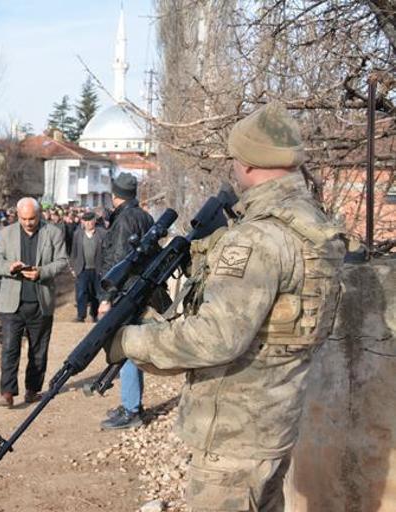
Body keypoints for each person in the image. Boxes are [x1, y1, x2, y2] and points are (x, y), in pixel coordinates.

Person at [105, 102, 347, 510]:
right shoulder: (312, 226)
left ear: (249, 163)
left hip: (234, 439)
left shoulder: (256, 239)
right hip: (274, 425)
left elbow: (215, 338)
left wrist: (128, 341)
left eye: (235, 159)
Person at [98, 172, 169, 430]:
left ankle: (131, 410)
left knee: (126, 348)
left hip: (127, 295)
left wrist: (107, 298)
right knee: (130, 348)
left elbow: (119, 262)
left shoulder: (124, 220)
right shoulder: (143, 216)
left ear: (115, 195)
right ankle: (131, 404)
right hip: (141, 293)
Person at [0, 197, 68, 407]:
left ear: (39, 215)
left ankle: (32, 390)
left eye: (32, 218)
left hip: (40, 301)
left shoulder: (53, 233)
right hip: (12, 303)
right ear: (18, 216)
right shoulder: (6, 233)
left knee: (38, 349)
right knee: (9, 348)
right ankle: (7, 392)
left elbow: (62, 261)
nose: (28, 223)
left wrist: (42, 272)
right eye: (24, 219)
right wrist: (9, 267)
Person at [70, 212, 105, 323]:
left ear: (95, 221)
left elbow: (107, 251)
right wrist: (73, 268)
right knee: (81, 293)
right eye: (86, 221)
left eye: (91, 221)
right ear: (83, 222)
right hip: (82, 269)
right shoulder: (77, 234)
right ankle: (81, 316)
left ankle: (94, 315)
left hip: (98, 269)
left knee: (96, 293)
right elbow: (73, 253)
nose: (89, 223)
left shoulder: (102, 233)